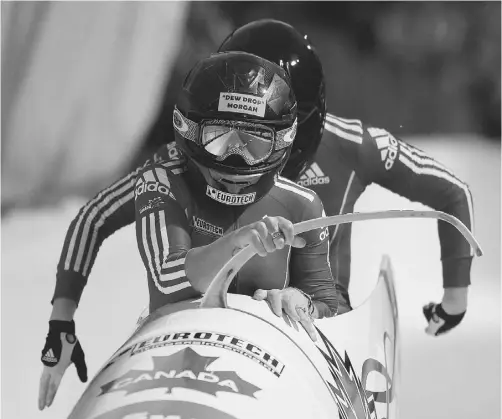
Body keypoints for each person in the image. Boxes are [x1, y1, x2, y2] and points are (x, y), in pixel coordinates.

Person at [38, 51, 338, 410]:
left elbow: (327, 305)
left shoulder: (303, 205)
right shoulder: (162, 178)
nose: (235, 158)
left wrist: (301, 301)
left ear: (282, 141)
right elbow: (166, 275)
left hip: (267, 365)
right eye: (219, 138)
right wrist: (61, 323)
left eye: (254, 143)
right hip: (172, 351)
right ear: (188, 131)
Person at [218, 19, 474, 335]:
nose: (243, 148)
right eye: (229, 128)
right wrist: (453, 305)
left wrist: (455, 300)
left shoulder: (351, 145)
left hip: (324, 319)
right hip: (220, 311)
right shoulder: (198, 143)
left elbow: (451, 192)